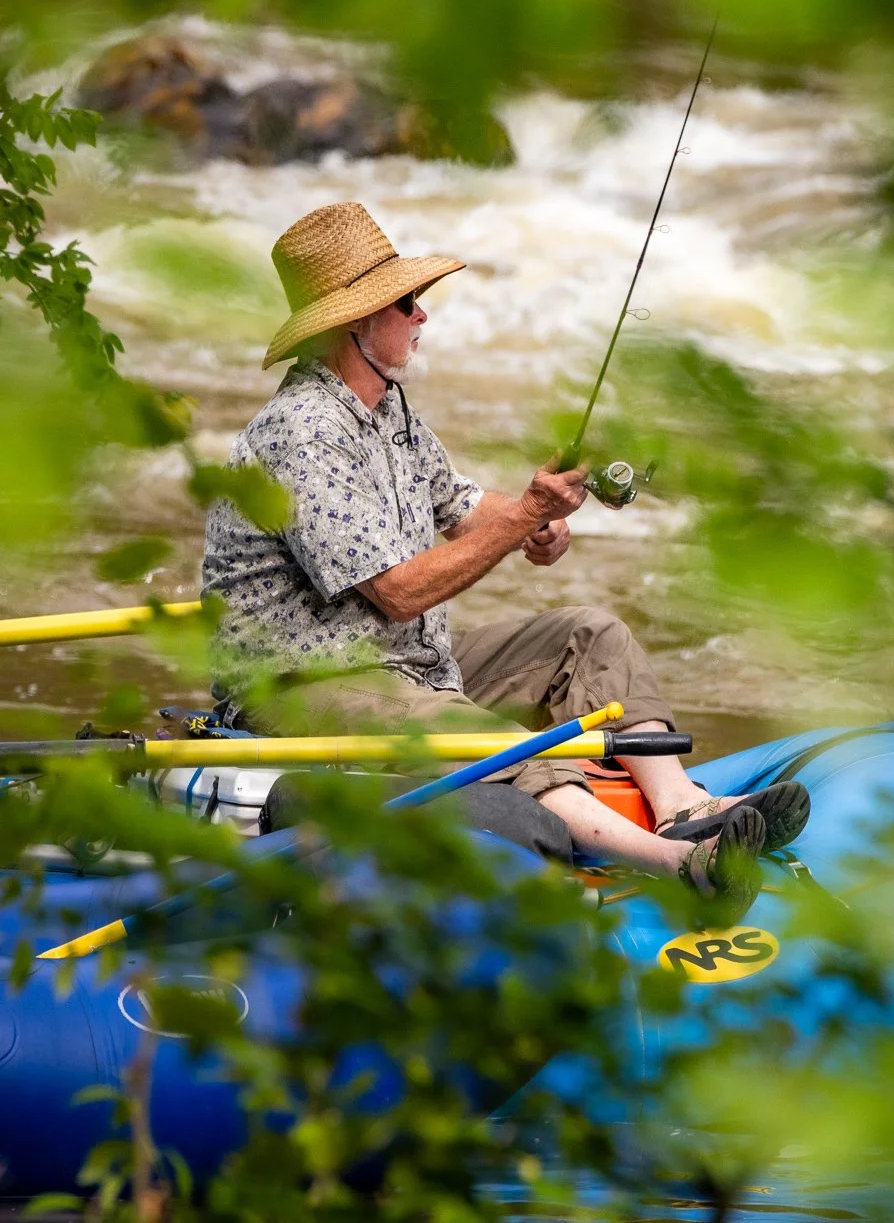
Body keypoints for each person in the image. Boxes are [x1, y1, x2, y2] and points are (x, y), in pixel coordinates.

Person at [202, 202, 809, 914]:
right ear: (354, 323)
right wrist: (523, 516)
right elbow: (396, 593)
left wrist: (534, 513)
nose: (421, 316)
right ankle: (677, 861)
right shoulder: (302, 432)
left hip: (404, 668)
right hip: (300, 688)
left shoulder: (386, 409)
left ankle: (679, 804)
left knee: (591, 634)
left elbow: (461, 503)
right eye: (406, 303)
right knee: (489, 738)